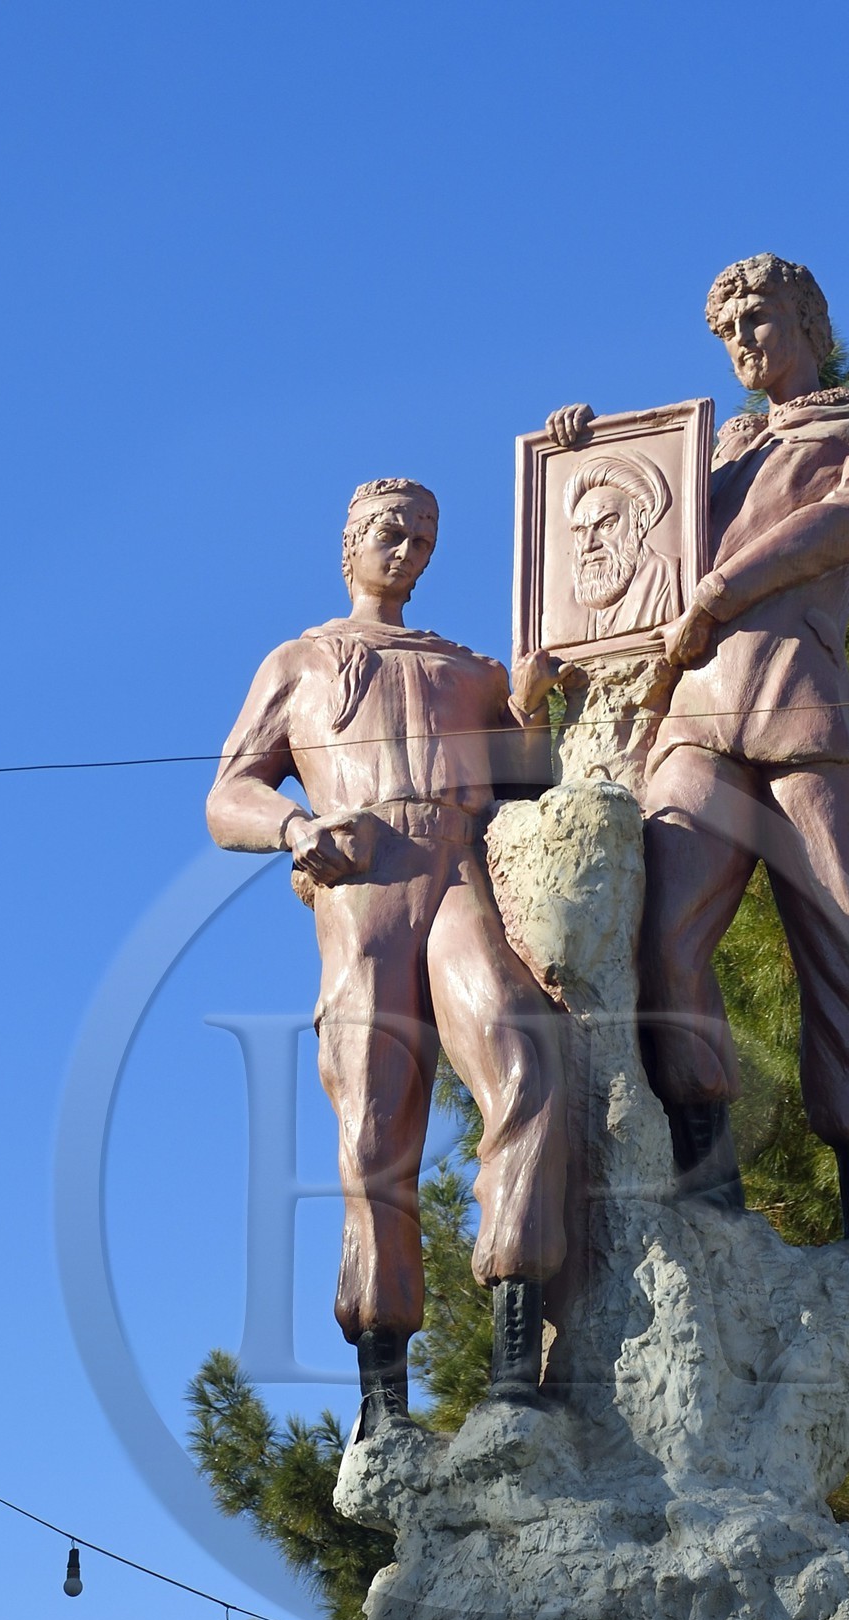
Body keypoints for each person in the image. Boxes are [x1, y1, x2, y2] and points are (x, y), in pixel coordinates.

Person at [535, 253, 849, 1255]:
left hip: (799, 706)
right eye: (728, 331)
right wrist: (588, 460)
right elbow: (628, 557)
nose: (744, 341)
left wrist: (718, 592)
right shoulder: (708, 457)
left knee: (842, 935)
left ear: (808, 320)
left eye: (758, 318)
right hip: (693, 718)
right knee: (665, 937)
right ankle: (710, 1176)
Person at [205, 478, 566, 1435]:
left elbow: (531, 785)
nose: (409, 552)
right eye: (393, 534)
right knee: (373, 1128)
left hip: (458, 871)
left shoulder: (470, 670)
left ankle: (516, 1358)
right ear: (352, 543)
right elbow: (227, 796)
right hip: (363, 886)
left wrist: (530, 710)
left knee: (522, 1060)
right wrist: (295, 828)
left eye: (425, 540)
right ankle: (382, 1398)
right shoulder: (300, 661)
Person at [563, 452, 683, 641]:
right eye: (580, 531)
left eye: (606, 525)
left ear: (641, 522)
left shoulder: (671, 582)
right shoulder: (568, 608)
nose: (588, 545)